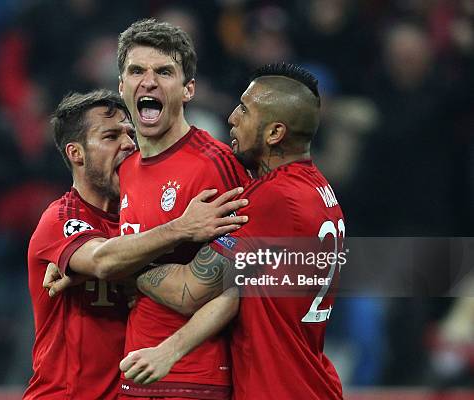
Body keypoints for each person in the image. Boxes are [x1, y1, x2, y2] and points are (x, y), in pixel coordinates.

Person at [122, 63, 345, 399]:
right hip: (309, 381)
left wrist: (116, 260)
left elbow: (189, 291)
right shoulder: (318, 192)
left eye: (245, 109)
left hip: (280, 389)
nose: (232, 118)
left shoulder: (274, 199)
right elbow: (239, 291)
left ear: (274, 133)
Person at [24, 89, 247, 400]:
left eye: (130, 133)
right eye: (111, 136)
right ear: (76, 153)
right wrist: (182, 227)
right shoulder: (60, 220)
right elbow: (104, 260)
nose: (128, 144)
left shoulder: (138, 221)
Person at [115, 19, 251, 399]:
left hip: (194, 376)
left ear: (188, 89)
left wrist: (170, 351)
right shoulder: (124, 168)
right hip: (135, 372)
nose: (149, 81)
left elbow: (237, 288)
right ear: (121, 86)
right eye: (137, 70)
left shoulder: (214, 165)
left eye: (164, 72)